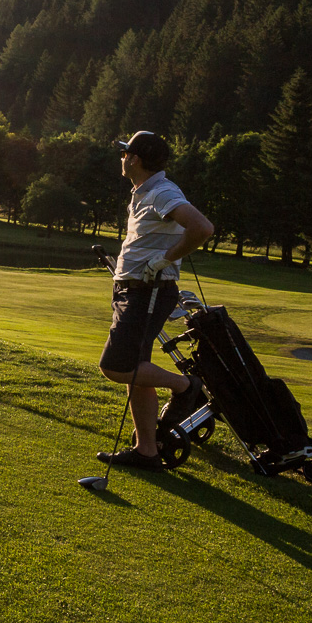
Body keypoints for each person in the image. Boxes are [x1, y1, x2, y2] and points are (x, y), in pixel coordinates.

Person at [96, 130, 215, 468]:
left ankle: (185, 386)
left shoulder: (162, 191)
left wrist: (164, 259)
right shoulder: (145, 191)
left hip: (148, 291)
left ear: (134, 158)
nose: (122, 158)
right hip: (134, 289)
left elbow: (202, 228)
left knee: (116, 366)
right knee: (137, 371)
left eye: (125, 153)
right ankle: (147, 451)